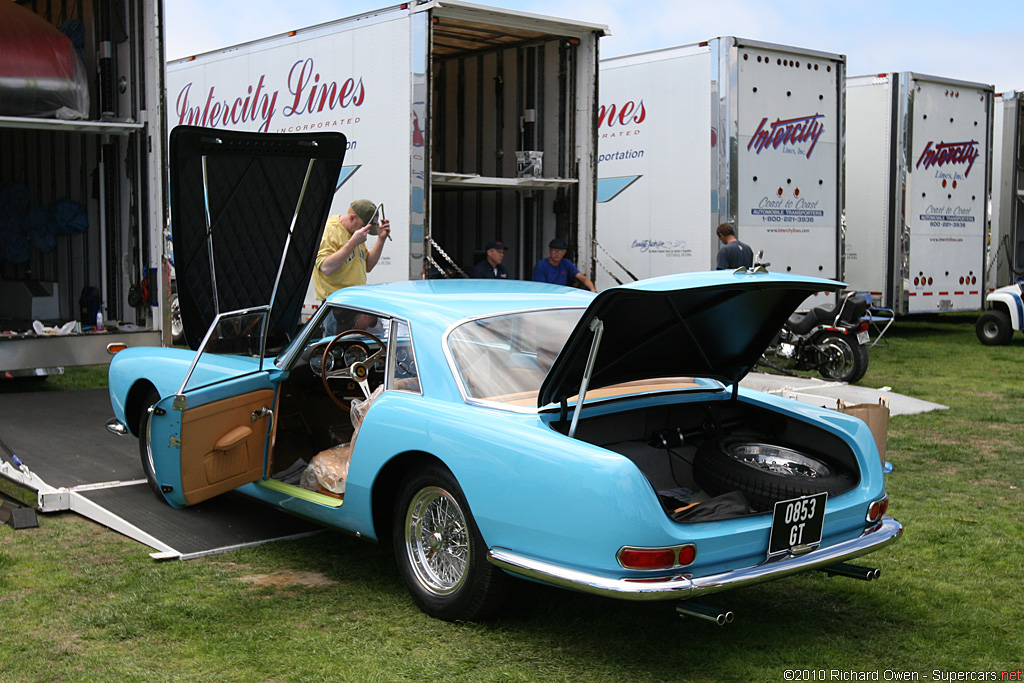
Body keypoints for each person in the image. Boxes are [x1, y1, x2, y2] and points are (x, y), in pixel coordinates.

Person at [313, 199, 391, 301]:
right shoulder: (331, 230)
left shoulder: (355, 231)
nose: (365, 232)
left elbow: (368, 266)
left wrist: (381, 240)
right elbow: (326, 267)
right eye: (364, 227)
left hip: (355, 300)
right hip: (336, 302)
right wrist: (353, 242)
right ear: (352, 218)